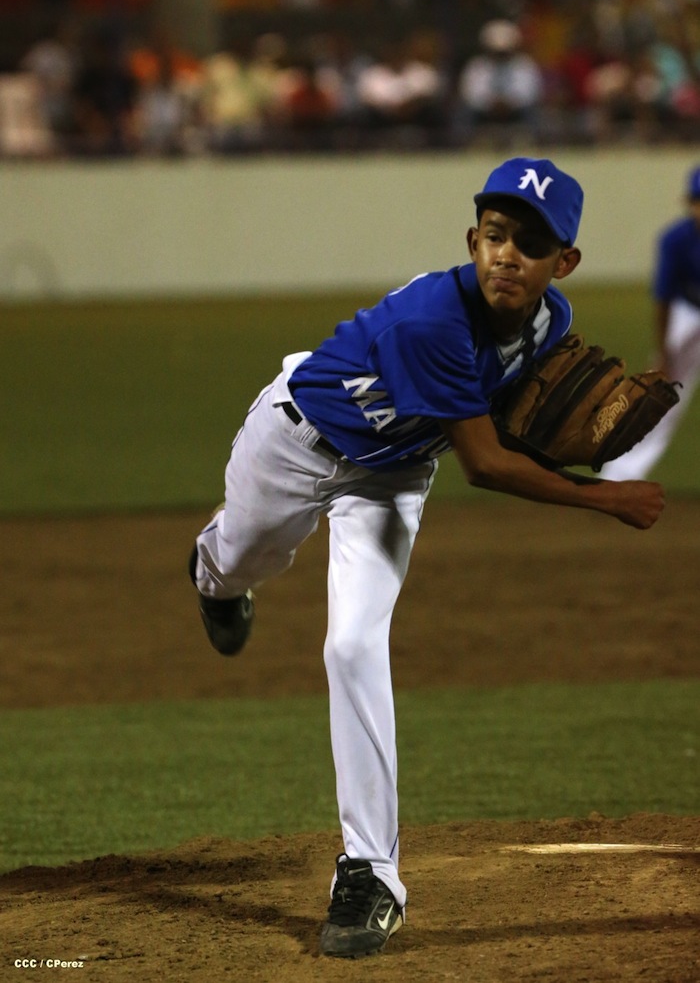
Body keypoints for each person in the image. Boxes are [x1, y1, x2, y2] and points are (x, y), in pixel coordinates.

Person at [189, 156, 665, 959]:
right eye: (495, 235)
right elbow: (484, 462)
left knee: (352, 644)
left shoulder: (549, 323)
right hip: (295, 440)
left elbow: (508, 416)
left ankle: (371, 874)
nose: (507, 255)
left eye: (531, 243)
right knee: (239, 561)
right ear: (472, 240)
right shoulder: (432, 322)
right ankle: (212, 573)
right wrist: (603, 496)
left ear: (564, 264)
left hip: (392, 476)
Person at [601, 164, 700, 481]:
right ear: (689, 203)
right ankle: (621, 474)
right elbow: (663, 300)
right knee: (662, 392)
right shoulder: (675, 239)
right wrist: (665, 353)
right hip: (688, 312)